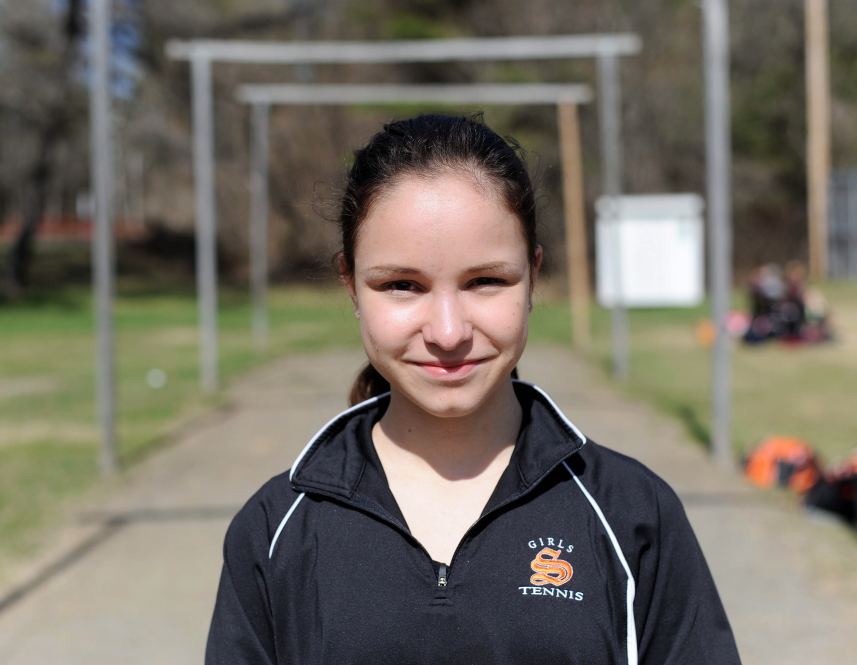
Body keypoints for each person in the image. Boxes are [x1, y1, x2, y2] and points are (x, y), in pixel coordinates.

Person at [206, 114, 741, 665]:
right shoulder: (276, 530)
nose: (447, 332)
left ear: (533, 276)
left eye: (485, 281)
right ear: (351, 285)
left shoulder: (631, 512)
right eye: (401, 285)